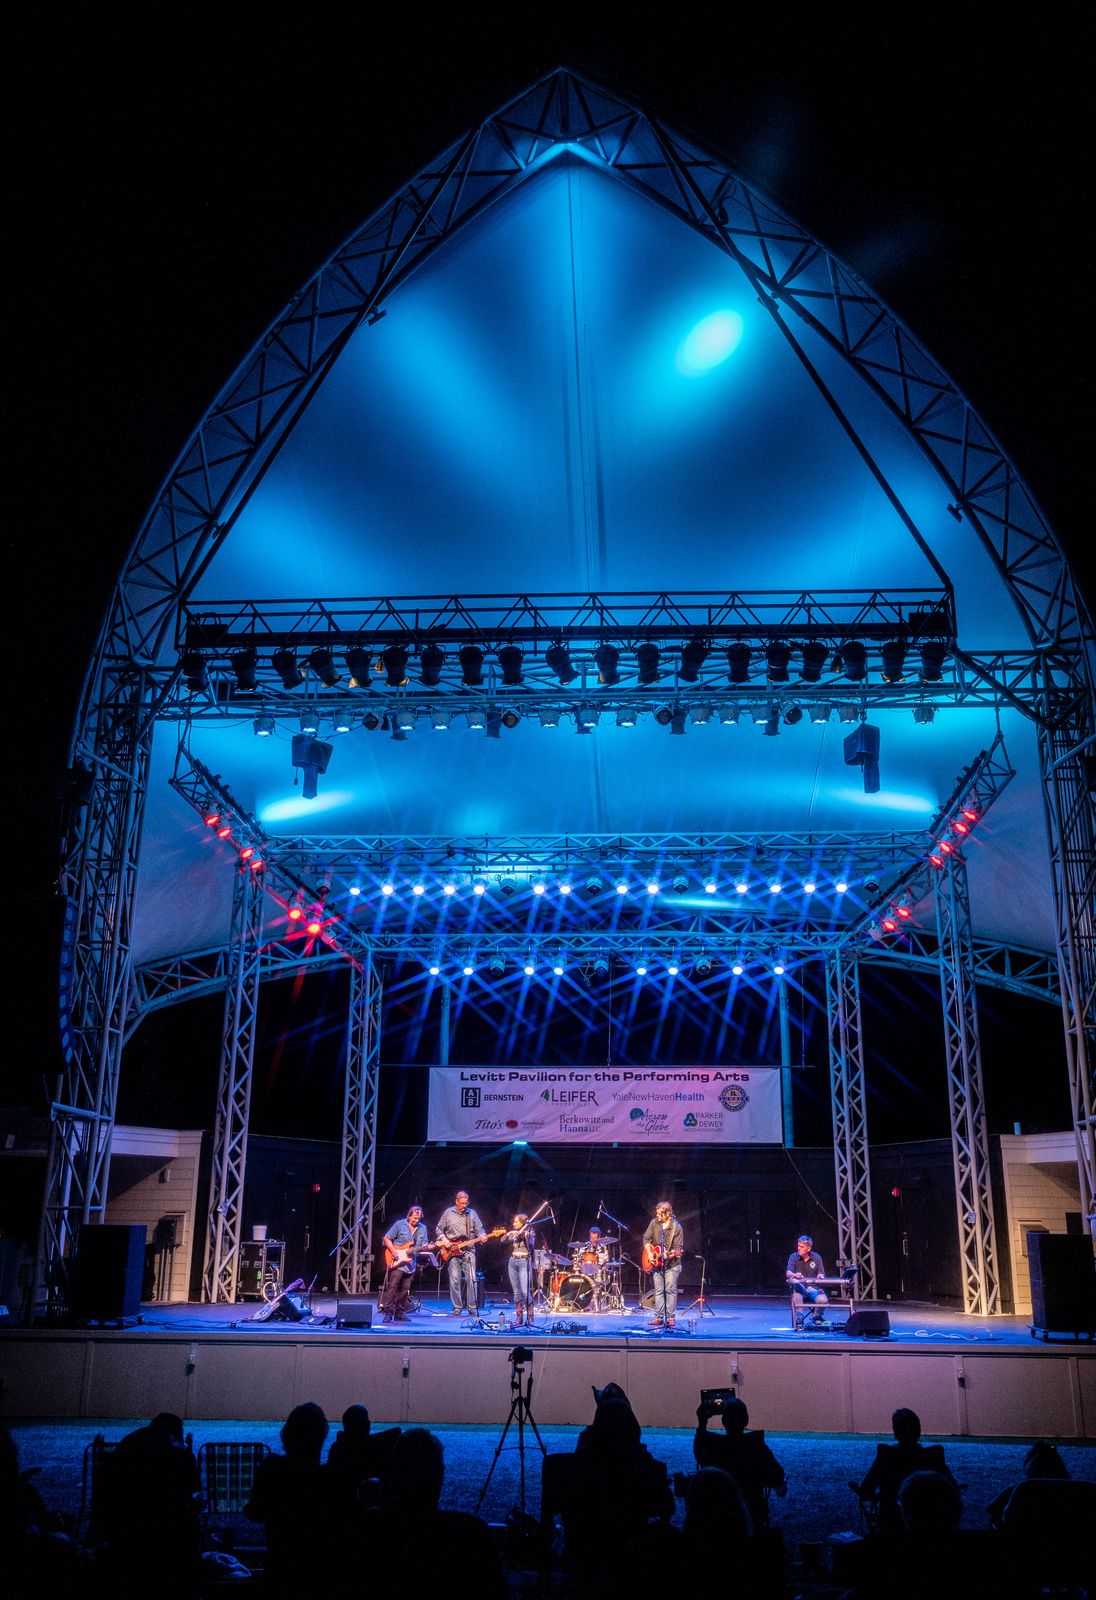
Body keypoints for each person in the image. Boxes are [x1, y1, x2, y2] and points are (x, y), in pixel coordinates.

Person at [247, 1402, 331, 1586]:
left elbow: (255, 1512)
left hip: (279, 1565)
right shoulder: (328, 1479)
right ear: (320, 1438)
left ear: (288, 1434)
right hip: (319, 1570)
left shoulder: (272, 1469)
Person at [853, 1407, 955, 1535]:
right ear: (918, 1431)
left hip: (892, 1526)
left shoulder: (886, 1456)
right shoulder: (933, 1456)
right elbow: (952, 1488)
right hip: (933, 1526)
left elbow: (865, 1491)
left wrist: (880, 1496)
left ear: (895, 1432)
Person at [693, 1394, 787, 1530]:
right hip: (753, 1515)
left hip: (719, 1516)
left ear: (724, 1421)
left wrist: (702, 1423)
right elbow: (777, 1478)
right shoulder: (756, 1447)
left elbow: (700, 1455)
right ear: (746, 1420)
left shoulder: (714, 1447)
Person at [435, 1189, 487, 1315]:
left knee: (472, 1279)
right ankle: (457, 1307)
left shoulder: (472, 1214)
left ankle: (472, 1307)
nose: (464, 1206)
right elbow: (439, 1229)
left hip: (468, 1251)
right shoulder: (448, 1212)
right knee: (454, 1280)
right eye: (462, 1203)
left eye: (466, 1203)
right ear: (456, 1201)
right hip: (452, 1251)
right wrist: (444, 1239)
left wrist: (482, 1236)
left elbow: (480, 1229)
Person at [379, 1204, 430, 1322]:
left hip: (410, 1264)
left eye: (419, 1219)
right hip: (398, 1261)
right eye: (414, 1218)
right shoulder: (399, 1224)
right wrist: (393, 1251)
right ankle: (388, 1313)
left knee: (405, 1289)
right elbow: (387, 1238)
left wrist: (428, 1247)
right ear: (409, 1216)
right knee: (393, 1287)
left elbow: (424, 1244)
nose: (416, 1221)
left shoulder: (423, 1228)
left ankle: (399, 1313)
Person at [643, 1201, 683, 1329]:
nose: (657, 1216)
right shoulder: (654, 1223)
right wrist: (650, 1253)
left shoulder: (676, 1227)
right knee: (659, 1291)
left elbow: (678, 1249)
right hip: (657, 1264)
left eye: (660, 1214)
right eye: (657, 1213)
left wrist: (669, 1255)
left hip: (672, 1265)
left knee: (670, 1290)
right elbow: (646, 1239)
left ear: (668, 1213)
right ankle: (659, 1318)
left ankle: (670, 1318)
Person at [786, 1233, 828, 1326]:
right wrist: (794, 1274)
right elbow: (788, 1273)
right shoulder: (793, 1257)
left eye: (801, 1247)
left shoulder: (817, 1257)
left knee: (823, 1300)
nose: (799, 1248)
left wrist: (820, 1276)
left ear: (808, 1248)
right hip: (800, 1288)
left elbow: (821, 1273)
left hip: (813, 1289)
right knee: (796, 1289)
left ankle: (815, 1317)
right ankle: (800, 1318)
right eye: (798, 1246)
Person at [504, 1212, 537, 1326]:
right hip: (512, 1262)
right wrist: (509, 1233)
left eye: (516, 1222)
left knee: (524, 1291)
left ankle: (530, 1317)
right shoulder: (515, 1233)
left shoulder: (530, 1233)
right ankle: (519, 1317)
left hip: (524, 1262)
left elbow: (531, 1246)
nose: (514, 1223)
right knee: (516, 1292)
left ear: (523, 1223)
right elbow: (503, 1240)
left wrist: (525, 1235)